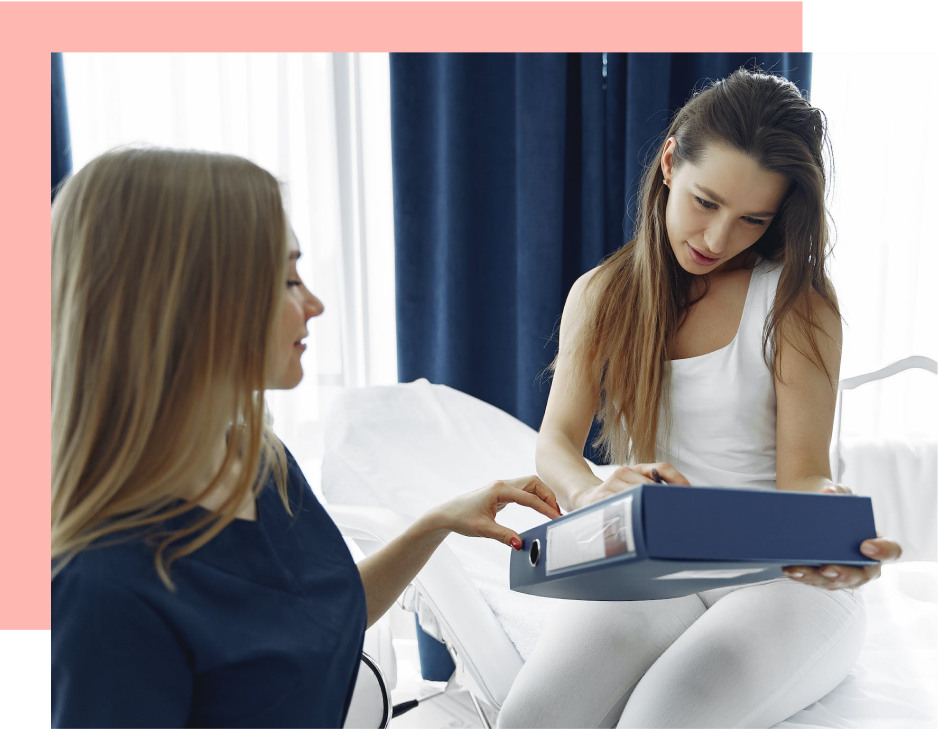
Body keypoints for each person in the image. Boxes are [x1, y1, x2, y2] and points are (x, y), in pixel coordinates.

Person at [50, 146, 563, 729]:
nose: (314, 305)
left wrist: (440, 521)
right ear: (189, 302)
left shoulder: (257, 463)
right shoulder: (102, 590)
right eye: (288, 279)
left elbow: (329, 611)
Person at [496, 68, 904, 729]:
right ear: (668, 161)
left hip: (781, 575)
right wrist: (587, 494)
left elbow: (802, 476)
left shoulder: (794, 305)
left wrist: (831, 533)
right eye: (705, 202)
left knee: (662, 718)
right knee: (533, 718)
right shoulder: (602, 295)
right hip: (659, 561)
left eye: (752, 220)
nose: (717, 240)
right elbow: (556, 443)